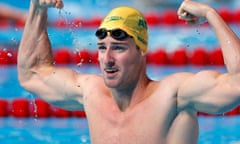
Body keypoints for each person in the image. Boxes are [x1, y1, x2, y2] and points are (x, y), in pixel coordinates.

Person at [17, 0, 240, 143]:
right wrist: (37, 10)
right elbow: (31, 74)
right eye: (102, 48)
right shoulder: (91, 93)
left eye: (119, 48)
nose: (107, 59)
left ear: (141, 50)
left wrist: (212, 14)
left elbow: (237, 84)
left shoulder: (174, 96)